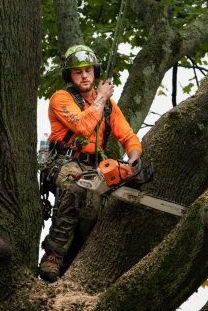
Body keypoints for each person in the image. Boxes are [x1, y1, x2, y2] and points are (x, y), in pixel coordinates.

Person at [39, 44, 142, 282]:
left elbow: (127, 135)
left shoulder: (109, 107)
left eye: (88, 70)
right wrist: (103, 97)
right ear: (70, 75)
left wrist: (135, 154)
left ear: (95, 72)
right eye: (78, 72)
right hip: (65, 162)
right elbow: (83, 126)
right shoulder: (61, 98)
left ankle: (74, 260)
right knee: (76, 188)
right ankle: (53, 255)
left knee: (94, 209)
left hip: (95, 165)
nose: (84, 76)